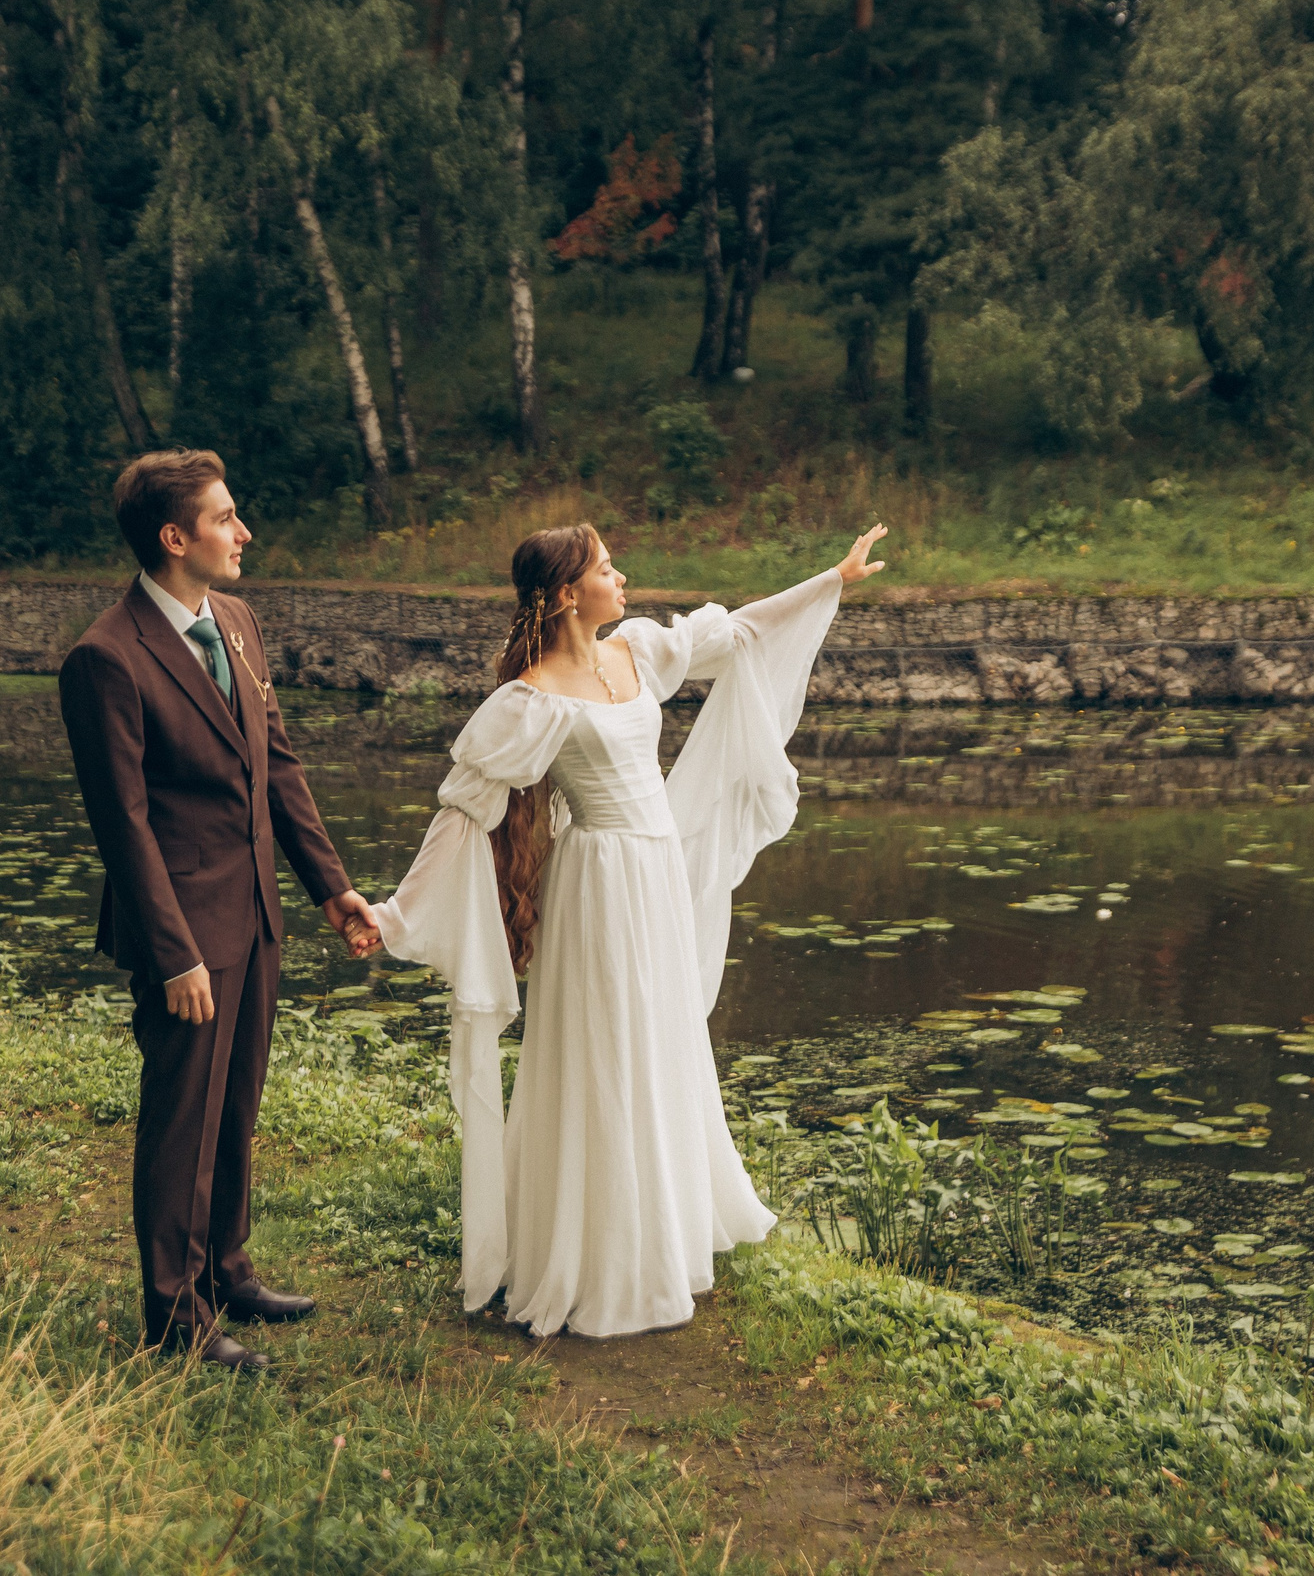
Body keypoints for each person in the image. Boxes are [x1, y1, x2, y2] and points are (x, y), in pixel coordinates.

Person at [368, 521, 886, 1338]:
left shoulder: (637, 651)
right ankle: (601, 1254)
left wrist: (831, 578)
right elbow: (465, 808)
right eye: (608, 567)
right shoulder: (530, 698)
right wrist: (394, 914)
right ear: (570, 592)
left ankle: (666, 1231)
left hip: (656, 875)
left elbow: (738, 631)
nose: (624, 576)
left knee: (661, 1039)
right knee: (605, 1049)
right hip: (597, 882)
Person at [59, 449, 379, 1374]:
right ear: (174, 537)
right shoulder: (106, 658)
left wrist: (329, 884)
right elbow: (120, 826)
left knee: (234, 1106)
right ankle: (174, 1315)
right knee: (181, 1118)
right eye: (226, 518)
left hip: (258, 913)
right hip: (185, 936)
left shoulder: (235, 620)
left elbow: (275, 763)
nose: (244, 533)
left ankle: (228, 1270)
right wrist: (173, 953)